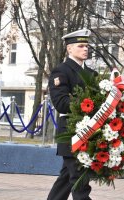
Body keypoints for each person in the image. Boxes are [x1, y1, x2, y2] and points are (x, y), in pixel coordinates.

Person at [47, 29, 97, 200]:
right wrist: (87, 105)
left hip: (89, 133)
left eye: (87, 46)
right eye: (81, 45)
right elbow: (61, 103)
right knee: (79, 181)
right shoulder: (61, 71)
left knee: (67, 179)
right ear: (69, 49)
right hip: (71, 133)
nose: (85, 49)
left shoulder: (92, 74)